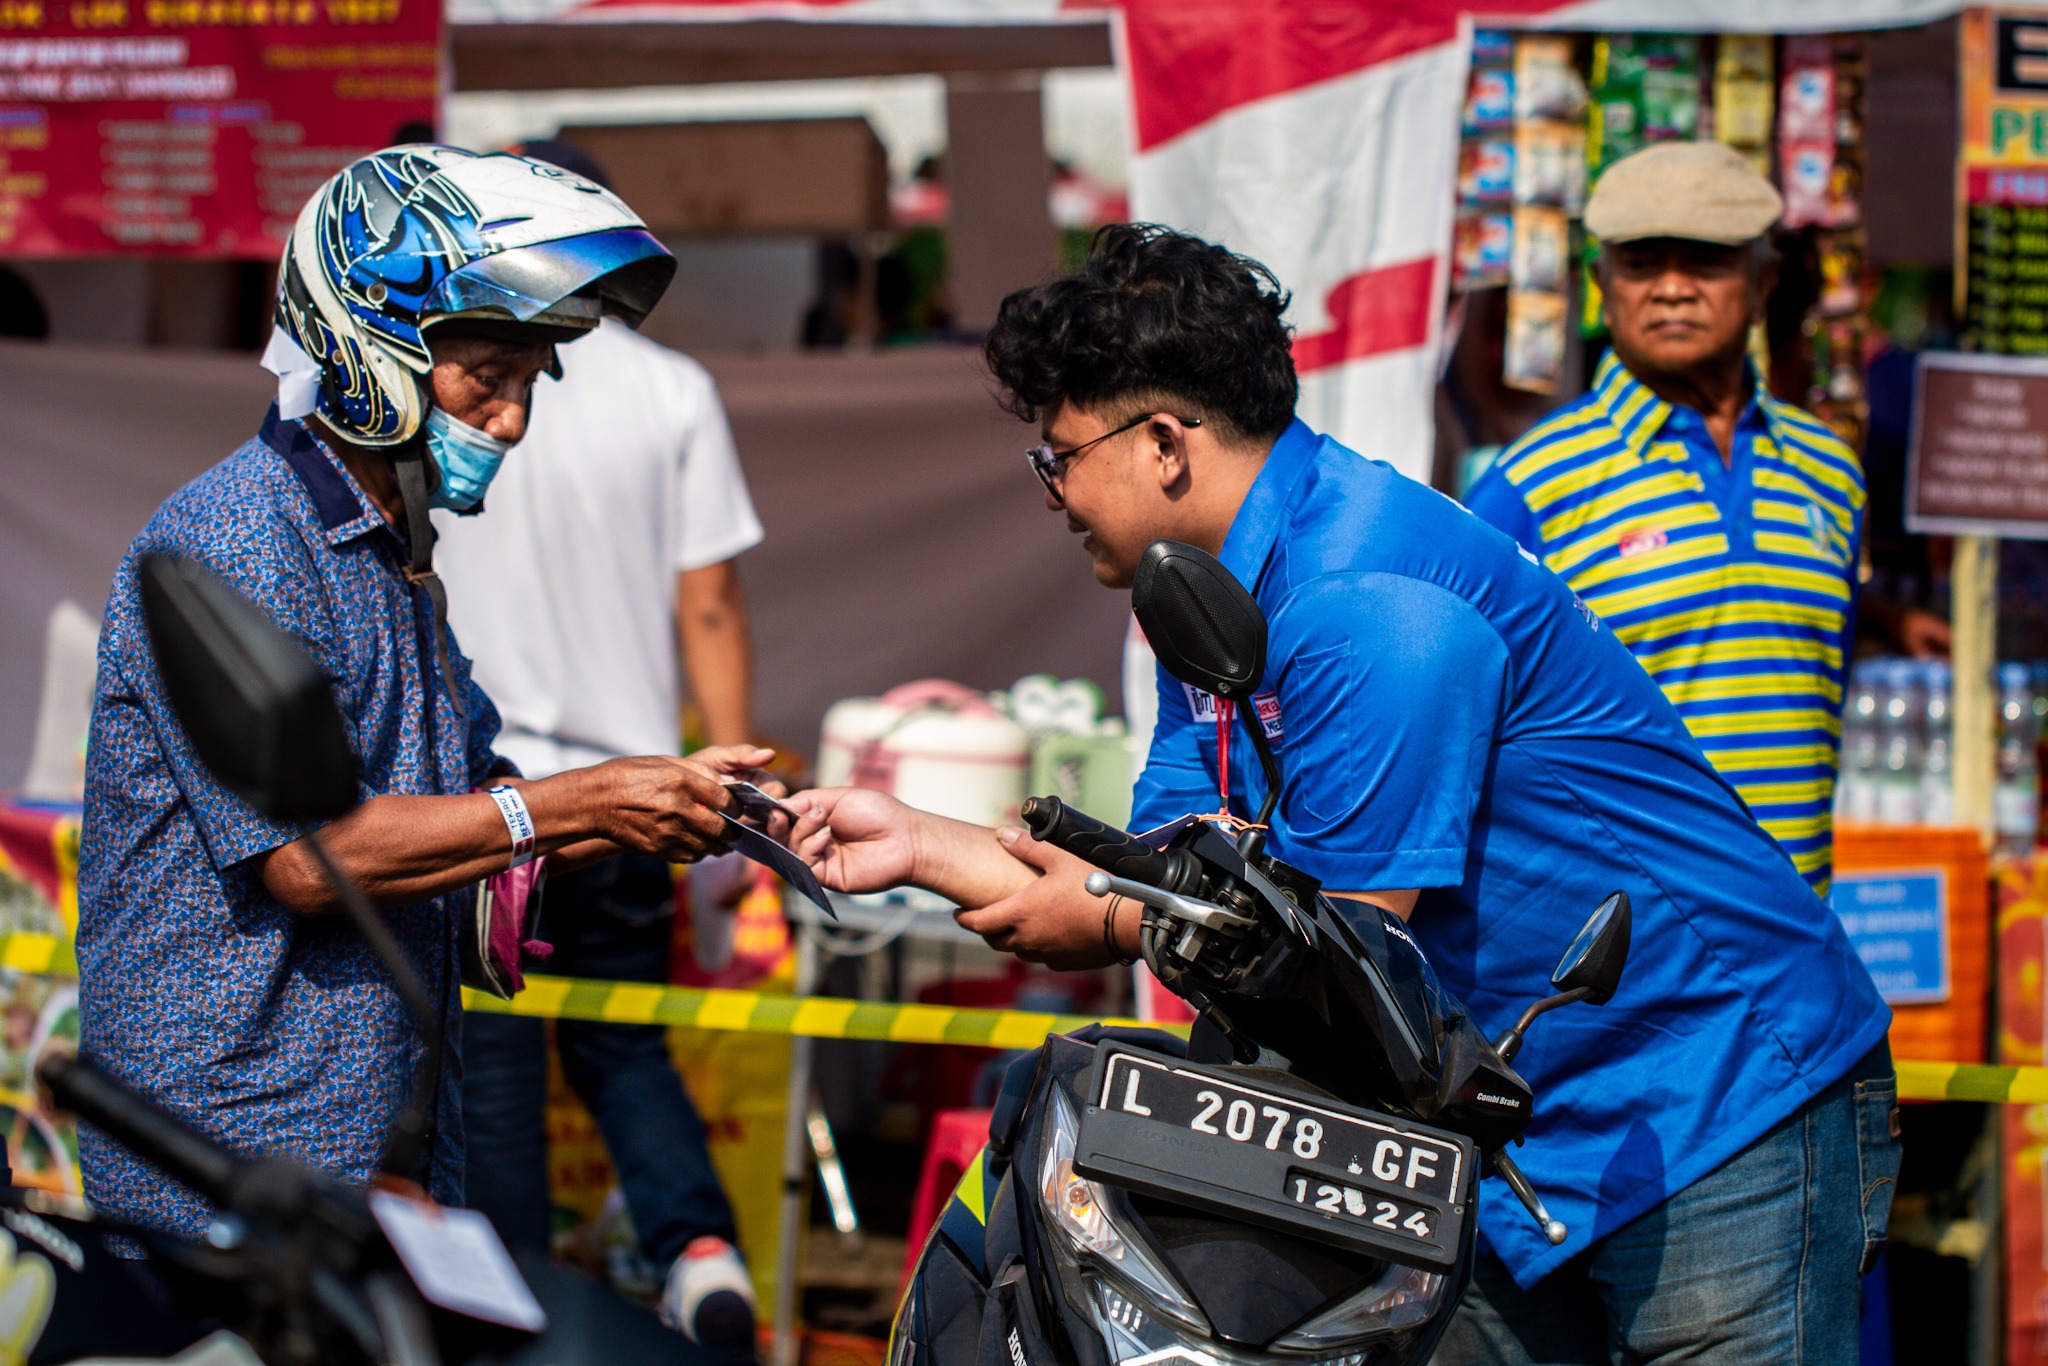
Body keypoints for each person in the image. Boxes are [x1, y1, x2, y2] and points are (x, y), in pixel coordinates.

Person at [787, 223, 1898, 1364]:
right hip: (1488, 1124)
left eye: (1058, 457)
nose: (1052, 493)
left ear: (1162, 442)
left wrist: (1106, 923)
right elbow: (1169, 878)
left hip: (1704, 1101)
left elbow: (1331, 974)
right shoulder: (1200, 596)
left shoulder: (1369, 605)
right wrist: (922, 843)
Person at [76, 146, 780, 1249]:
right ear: (375, 353)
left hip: (371, 1148)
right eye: (483, 378)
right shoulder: (237, 540)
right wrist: (575, 805)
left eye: (525, 385)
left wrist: (676, 806)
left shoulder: (393, 556)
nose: (509, 421)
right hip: (231, 1157)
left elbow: (470, 789)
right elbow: (310, 857)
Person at [431, 139, 764, 1350]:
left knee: (500, 1066)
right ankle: (699, 1250)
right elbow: (710, 604)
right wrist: (731, 792)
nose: (514, 408)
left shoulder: (437, 370)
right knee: (627, 1047)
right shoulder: (671, 388)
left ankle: (515, 1306)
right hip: (636, 787)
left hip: (490, 795)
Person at [1464, 141, 1944, 895]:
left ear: (1764, 283)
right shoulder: (1535, 478)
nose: (1673, 288)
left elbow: (1819, 674)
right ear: (1602, 283)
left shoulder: (1830, 471)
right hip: (1624, 949)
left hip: (1800, 928)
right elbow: (1466, 711)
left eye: (1707, 260)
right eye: (1643, 262)